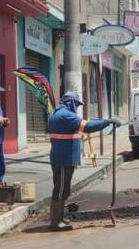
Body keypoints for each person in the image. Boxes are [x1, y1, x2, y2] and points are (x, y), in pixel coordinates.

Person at [48, 92, 120, 230]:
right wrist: (106, 122)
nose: (76, 107)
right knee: (60, 189)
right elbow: (87, 126)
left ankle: (60, 218)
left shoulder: (59, 114)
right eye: (76, 104)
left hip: (65, 158)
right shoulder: (65, 115)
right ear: (71, 103)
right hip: (63, 159)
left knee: (64, 189)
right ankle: (56, 222)